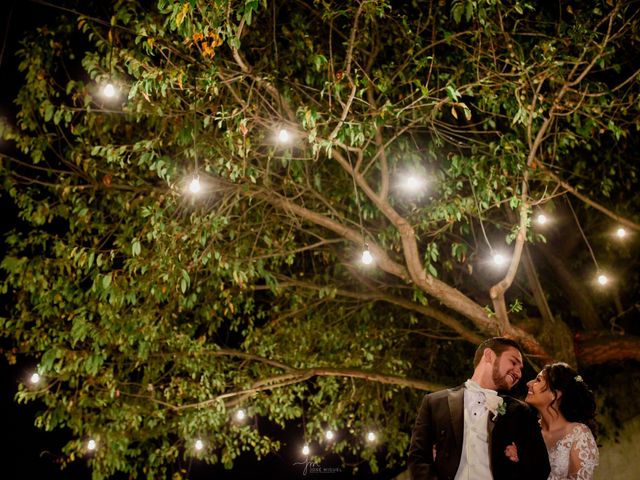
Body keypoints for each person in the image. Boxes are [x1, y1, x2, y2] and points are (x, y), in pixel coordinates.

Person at [408, 337, 550, 480]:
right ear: (489, 356)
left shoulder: (522, 412)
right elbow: (418, 458)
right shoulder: (435, 403)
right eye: (513, 362)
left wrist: (520, 458)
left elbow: (541, 468)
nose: (518, 374)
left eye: (520, 369)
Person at [516, 362, 599, 480]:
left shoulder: (578, 433)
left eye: (538, 380)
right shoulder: (527, 430)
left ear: (555, 394)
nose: (528, 383)